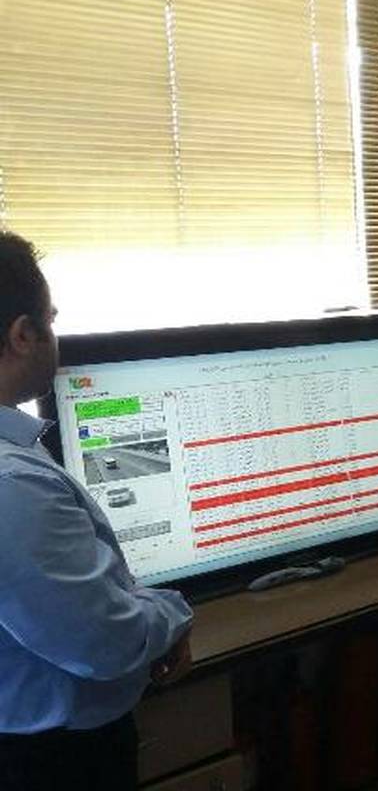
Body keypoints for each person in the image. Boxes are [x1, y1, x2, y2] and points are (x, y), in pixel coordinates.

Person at [0, 233, 193, 791]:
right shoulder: (11, 484)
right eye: (51, 319)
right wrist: (174, 612)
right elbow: (106, 643)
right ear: (23, 335)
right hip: (50, 759)